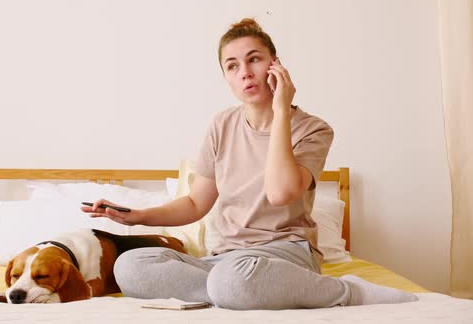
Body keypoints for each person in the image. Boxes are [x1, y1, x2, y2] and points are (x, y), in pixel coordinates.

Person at [81, 18, 418, 310]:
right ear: (226, 77)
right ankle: (230, 292)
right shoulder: (220, 125)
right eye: (232, 66)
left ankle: (349, 291)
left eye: (254, 60)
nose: (245, 73)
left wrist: (282, 110)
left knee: (232, 278)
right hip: (225, 260)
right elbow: (197, 202)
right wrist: (134, 216)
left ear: (276, 64)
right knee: (130, 266)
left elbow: (279, 192)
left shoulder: (313, 129)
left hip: (287, 255)